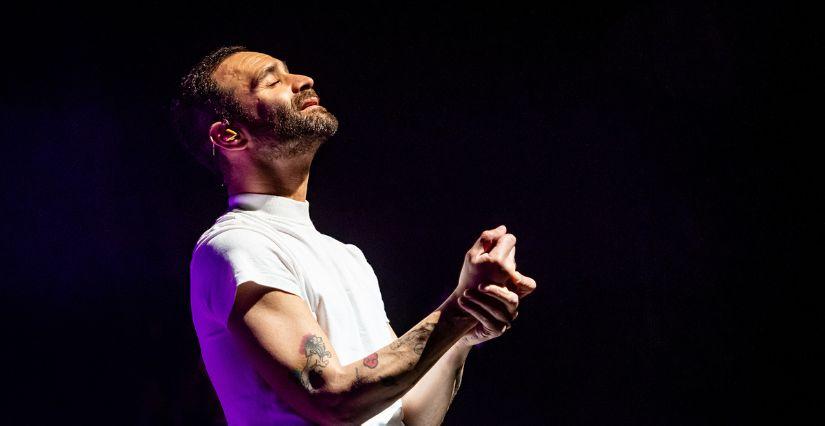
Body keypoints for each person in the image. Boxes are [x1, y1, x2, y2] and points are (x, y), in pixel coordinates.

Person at [171, 46, 537, 425]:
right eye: (273, 80)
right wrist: (456, 313)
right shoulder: (236, 244)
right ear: (229, 136)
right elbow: (332, 397)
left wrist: (463, 333)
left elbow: (411, 416)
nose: (303, 81)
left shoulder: (348, 257)